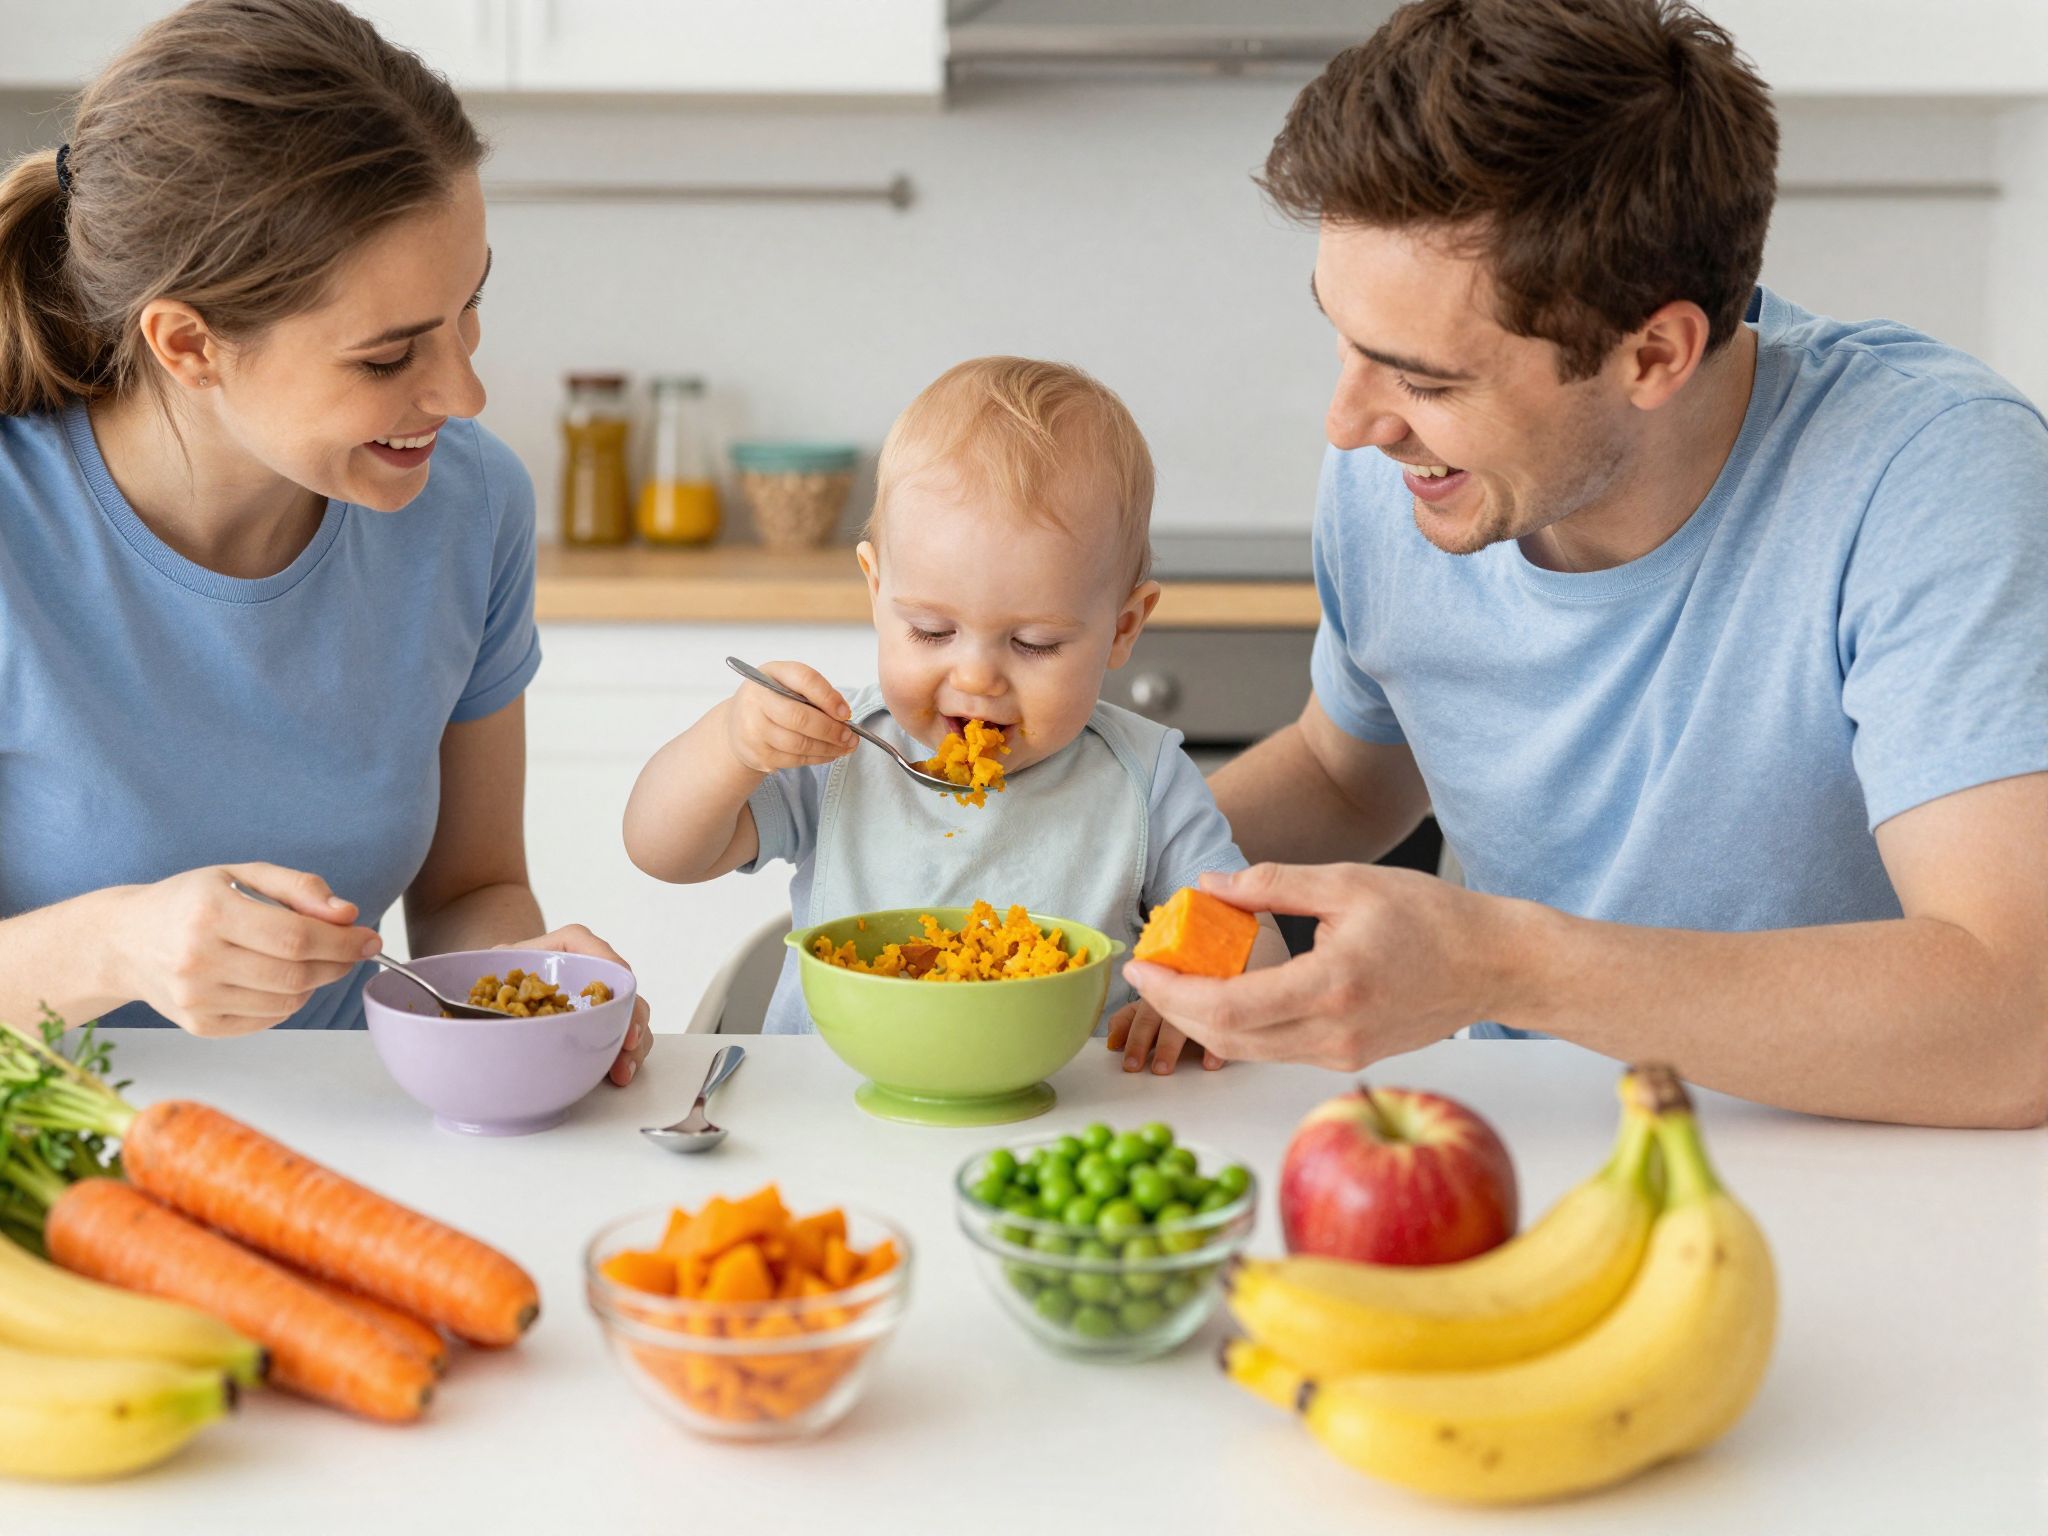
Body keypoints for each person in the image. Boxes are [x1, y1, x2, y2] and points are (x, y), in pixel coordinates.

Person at [1125, 0, 2048, 1128]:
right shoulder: (1403, 472)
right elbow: (1344, 775)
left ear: (1651, 353)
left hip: (1874, 1157)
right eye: (1344, 340)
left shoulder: (1929, 478)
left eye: (1423, 379)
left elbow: (2014, 1028)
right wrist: (1077, 853)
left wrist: (1502, 964)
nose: (1348, 422)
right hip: (1533, 1133)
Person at [0, 0, 653, 1082]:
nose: (464, 390)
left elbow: (467, 889)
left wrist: (518, 986)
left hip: (354, 1150)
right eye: (388, 356)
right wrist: (116, 942)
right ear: (189, 343)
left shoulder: (467, 505)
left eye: (468, 308)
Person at [624, 356, 1287, 1067]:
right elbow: (661, 850)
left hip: (1063, 1119)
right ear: (877, 591)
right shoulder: (841, 750)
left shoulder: (1146, 779)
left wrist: (1193, 992)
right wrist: (732, 744)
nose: (975, 678)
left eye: (1033, 644)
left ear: (1123, 628)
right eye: (932, 632)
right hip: (829, 1116)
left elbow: (1254, 949)